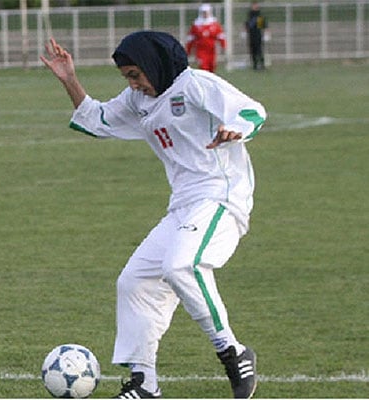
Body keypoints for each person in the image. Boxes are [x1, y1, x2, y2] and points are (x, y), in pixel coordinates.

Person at [41, 31, 265, 399]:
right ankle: (145, 383)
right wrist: (70, 80)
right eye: (127, 77)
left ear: (155, 64)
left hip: (222, 198)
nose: (134, 84)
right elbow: (96, 119)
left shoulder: (195, 84)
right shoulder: (137, 100)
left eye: (135, 74)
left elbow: (252, 111)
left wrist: (235, 129)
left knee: (182, 266)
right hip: (183, 205)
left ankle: (233, 352)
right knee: (134, 281)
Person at [186, 3, 226, 72]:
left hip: (211, 50)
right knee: (203, 67)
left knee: (212, 66)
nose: (205, 14)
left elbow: (220, 36)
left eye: (207, 12)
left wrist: (223, 46)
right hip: (201, 50)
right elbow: (191, 38)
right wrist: (188, 50)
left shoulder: (214, 24)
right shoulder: (196, 25)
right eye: (203, 12)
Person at [245, 2, 268, 70]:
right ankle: (254, 65)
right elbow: (247, 24)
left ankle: (262, 64)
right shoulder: (250, 14)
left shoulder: (259, 15)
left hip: (258, 35)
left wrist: (266, 33)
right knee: (252, 50)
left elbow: (262, 25)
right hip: (251, 35)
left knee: (259, 50)